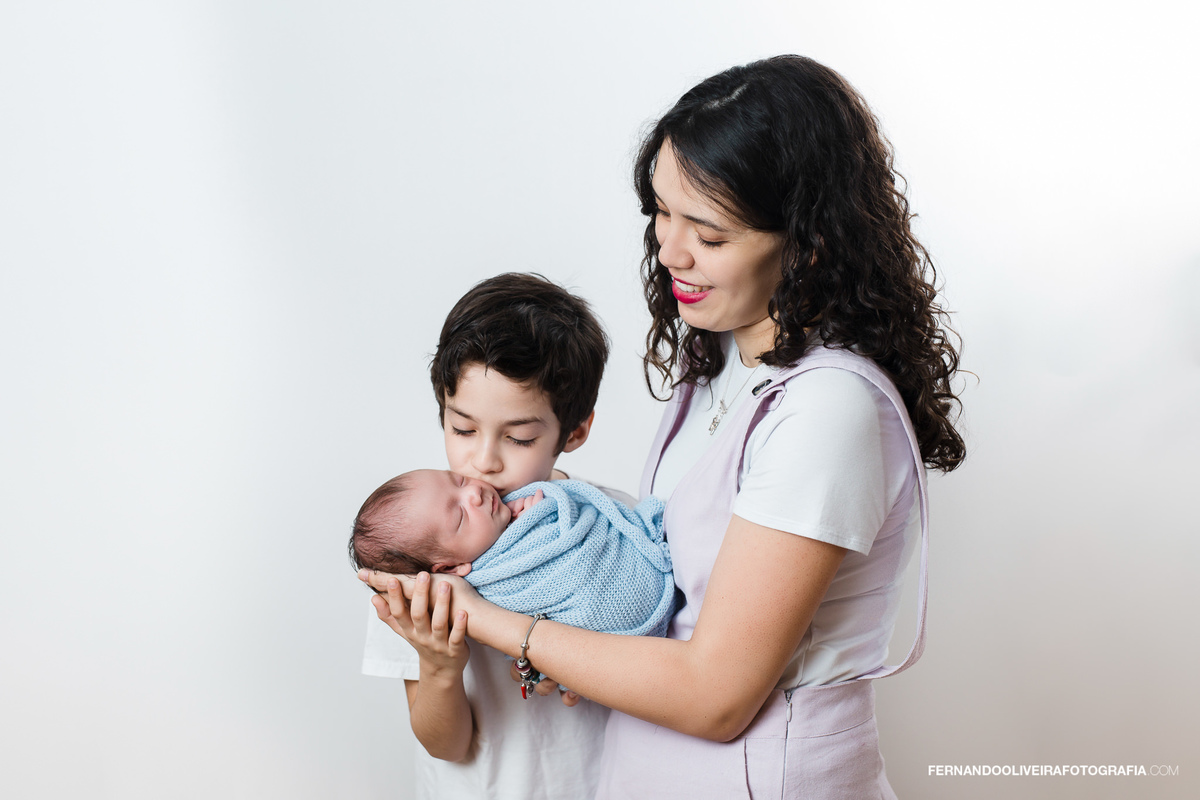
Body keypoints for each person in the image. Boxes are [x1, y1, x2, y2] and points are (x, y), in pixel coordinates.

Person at [364, 54, 966, 798]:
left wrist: (498, 626)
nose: (669, 250)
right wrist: (577, 654)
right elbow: (673, 599)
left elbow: (717, 696)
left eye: (709, 235)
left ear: (808, 242)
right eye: (661, 210)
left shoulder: (826, 409)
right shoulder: (718, 365)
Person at [359, 273, 624, 799]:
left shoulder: (610, 522)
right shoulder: (417, 557)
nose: (483, 462)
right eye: (462, 429)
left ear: (574, 431)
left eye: (519, 437)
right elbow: (447, 745)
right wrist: (438, 667)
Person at [351, 471, 674, 637]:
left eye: (458, 481)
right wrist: (541, 521)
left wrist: (534, 514)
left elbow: (580, 523)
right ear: (450, 568)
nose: (473, 493)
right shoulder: (490, 590)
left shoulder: (507, 509)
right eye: (461, 515)